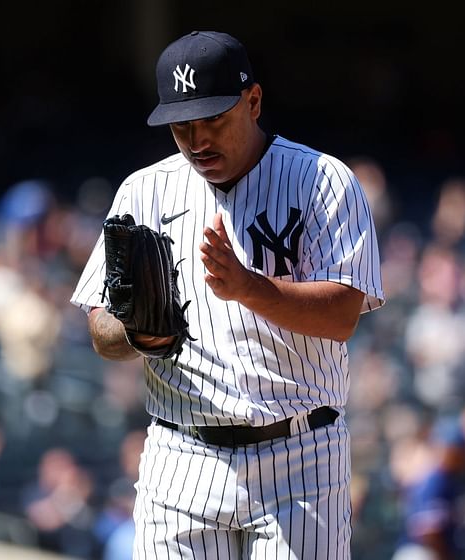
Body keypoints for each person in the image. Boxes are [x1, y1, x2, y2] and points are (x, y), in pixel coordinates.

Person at [71, 30, 384, 559]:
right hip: (181, 452)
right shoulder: (142, 191)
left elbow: (342, 316)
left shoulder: (323, 180)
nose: (197, 141)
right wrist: (136, 329)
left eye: (213, 119)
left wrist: (249, 288)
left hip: (300, 455)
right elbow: (101, 331)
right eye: (182, 126)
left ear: (253, 100)